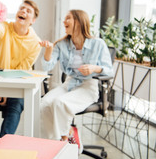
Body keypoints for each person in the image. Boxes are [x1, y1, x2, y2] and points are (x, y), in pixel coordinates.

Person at [39, 9, 113, 145]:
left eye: (68, 18)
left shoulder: (98, 44)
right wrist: (48, 50)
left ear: (79, 22)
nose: (64, 21)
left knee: (59, 103)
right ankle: (55, 141)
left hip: (88, 87)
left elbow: (109, 71)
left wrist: (94, 68)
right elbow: (46, 67)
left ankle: (63, 143)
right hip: (69, 84)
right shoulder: (61, 45)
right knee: (43, 104)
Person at [0, 0, 42, 137]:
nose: (23, 11)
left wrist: (7, 89)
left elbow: (22, 69)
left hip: (16, 83)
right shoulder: (5, 27)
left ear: (33, 20)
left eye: (28, 11)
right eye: (21, 8)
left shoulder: (36, 43)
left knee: (17, 103)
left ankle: (4, 144)